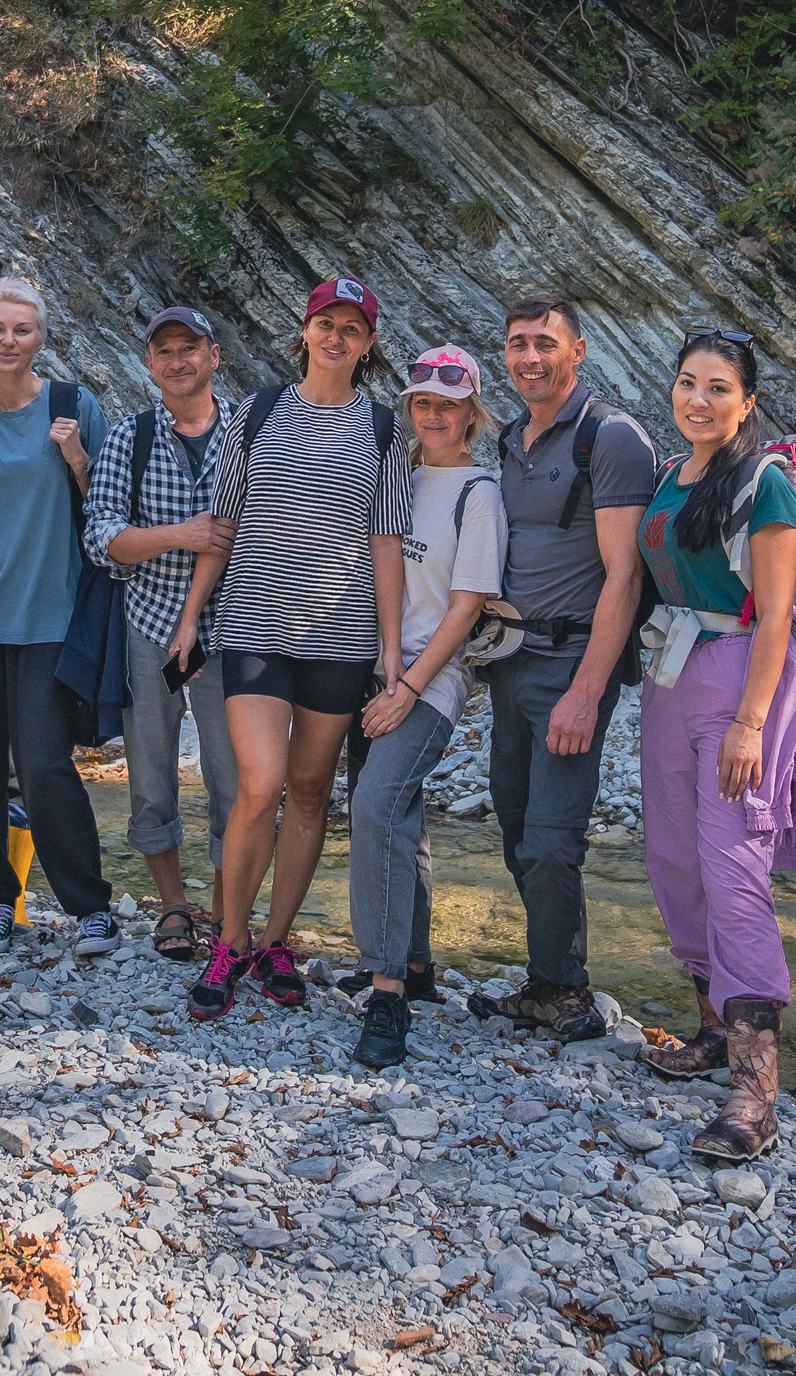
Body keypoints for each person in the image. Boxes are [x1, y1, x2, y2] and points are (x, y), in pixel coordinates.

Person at [173, 277, 411, 1022]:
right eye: (324, 323)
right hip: (253, 624)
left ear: (368, 345)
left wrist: (393, 655)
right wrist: (189, 618)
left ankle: (274, 945)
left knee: (310, 791)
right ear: (304, 331)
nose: (336, 336)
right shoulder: (258, 412)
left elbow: (386, 546)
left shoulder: (383, 432)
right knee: (259, 783)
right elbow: (225, 522)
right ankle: (229, 939)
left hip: (340, 637)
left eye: (352, 327)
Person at [634, 330, 796, 1160]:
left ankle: (754, 1097)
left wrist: (752, 723)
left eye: (718, 387)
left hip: (736, 679)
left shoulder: (766, 487)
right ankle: (713, 1030)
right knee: (672, 860)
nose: (699, 399)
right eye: (688, 383)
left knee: (732, 870)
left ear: (747, 402)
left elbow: (776, 614)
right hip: (668, 674)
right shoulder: (671, 476)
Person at [467, 297, 654, 1041]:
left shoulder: (611, 440)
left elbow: (625, 577)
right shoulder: (514, 438)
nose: (530, 358)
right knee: (517, 828)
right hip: (512, 663)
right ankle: (551, 980)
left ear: (579, 349)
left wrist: (586, 691)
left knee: (552, 838)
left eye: (545, 343)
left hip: (575, 663)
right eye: (517, 344)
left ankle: (568, 994)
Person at [0, 279, 117, 960]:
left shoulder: (73, 407)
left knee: (42, 763)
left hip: (48, 616)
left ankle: (90, 905)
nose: (9, 341)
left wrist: (75, 458)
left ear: (40, 337)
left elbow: (105, 512)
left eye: (22, 329)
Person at [343, 346, 507, 1068]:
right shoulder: (400, 477)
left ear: (471, 412)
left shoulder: (482, 494)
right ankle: (414, 966)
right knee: (400, 818)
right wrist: (387, 660)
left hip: (433, 680)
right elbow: (385, 568)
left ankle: (386, 998)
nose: (434, 414)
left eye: (449, 403)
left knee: (377, 807)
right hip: (383, 664)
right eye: (422, 403)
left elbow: (467, 606)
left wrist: (408, 685)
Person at [82, 306, 238, 962]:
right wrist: (182, 534)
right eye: (165, 350)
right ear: (149, 364)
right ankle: (174, 906)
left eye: (190, 348)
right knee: (150, 776)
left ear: (214, 355)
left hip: (235, 630)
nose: (178, 360)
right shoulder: (129, 438)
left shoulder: (247, 433)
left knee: (238, 780)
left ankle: (231, 916)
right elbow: (98, 538)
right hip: (148, 628)